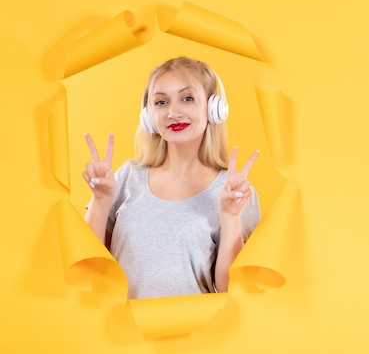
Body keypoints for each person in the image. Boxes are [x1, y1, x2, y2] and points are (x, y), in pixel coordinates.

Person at [82, 56, 261, 299]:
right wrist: (100, 202)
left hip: (197, 332)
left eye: (187, 98)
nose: (173, 113)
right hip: (122, 332)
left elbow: (232, 288)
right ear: (148, 115)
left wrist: (230, 217)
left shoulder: (234, 192)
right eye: (161, 102)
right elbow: (91, 269)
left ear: (214, 108)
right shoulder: (127, 177)